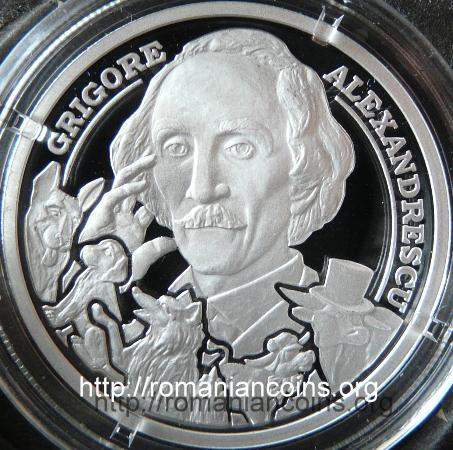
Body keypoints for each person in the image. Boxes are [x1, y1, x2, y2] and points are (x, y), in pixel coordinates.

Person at [81, 29, 401, 406]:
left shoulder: (360, 342)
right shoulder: (122, 319)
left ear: (304, 170)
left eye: (240, 147)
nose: (202, 188)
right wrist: (91, 280)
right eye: (177, 148)